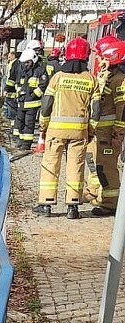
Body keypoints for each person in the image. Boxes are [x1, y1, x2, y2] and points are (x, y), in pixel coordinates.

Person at [33, 37, 100, 219]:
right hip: (79, 132)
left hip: (55, 131)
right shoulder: (91, 79)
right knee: (75, 167)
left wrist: (43, 125)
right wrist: (91, 129)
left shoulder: (58, 78)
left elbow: (46, 104)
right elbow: (96, 110)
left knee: (50, 165)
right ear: (86, 56)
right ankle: (73, 206)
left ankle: (46, 204)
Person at [83, 39, 125, 216]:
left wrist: (118, 133)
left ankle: (111, 204)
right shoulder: (112, 78)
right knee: (100, 165)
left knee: (107, 167)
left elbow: (122, 109)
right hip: (103, 132)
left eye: (103, 57)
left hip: (110, 134)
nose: (100, 61)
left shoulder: (120, 81)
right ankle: (104, 198)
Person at [13, 47, 49, 150]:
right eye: (24, 62)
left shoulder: (40, 70)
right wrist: (19, 93)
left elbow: (43, 85)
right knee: (19, 121)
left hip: (32, 103)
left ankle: (26, 143)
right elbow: (18, 82)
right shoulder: (23, 69)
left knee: (29, 123)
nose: (25, 64)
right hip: (22, 101)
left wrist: (32, 95)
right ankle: (20, 140)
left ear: (33, 60)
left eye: (27, 62)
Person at [3, 51, 19, 120]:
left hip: (11, 89)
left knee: (11, 106)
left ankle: (11, 119)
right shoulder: (11, 63)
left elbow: (12, 78)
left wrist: (6, 89)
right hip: (10, 86)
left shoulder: (15, 64)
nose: (8, 59)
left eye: (9, 57)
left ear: (13, 56)